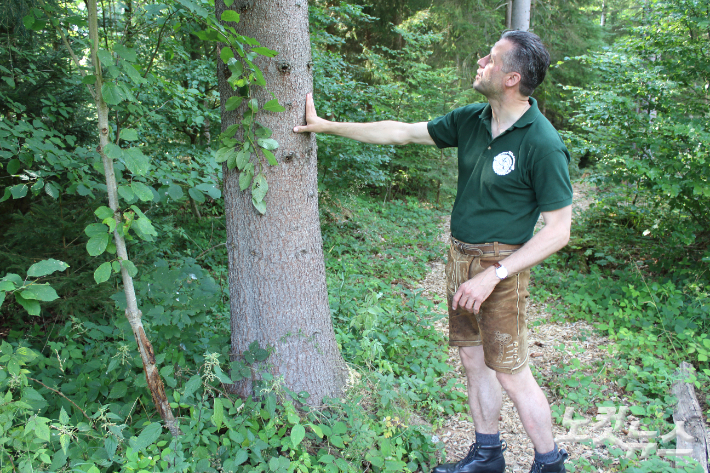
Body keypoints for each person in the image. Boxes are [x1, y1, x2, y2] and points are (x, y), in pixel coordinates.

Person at [294, 30, 572, 473]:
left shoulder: (541, 142)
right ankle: (487, 455)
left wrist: (493, 274)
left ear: (511, 78)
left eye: (492, 57)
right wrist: (327, 126)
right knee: (472, 359)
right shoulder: (472, 120)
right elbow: (401, 133)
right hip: (461, 257)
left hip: (500, 268)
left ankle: (549, 463)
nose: (481, 59)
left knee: (512, 373)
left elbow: (559, 230)